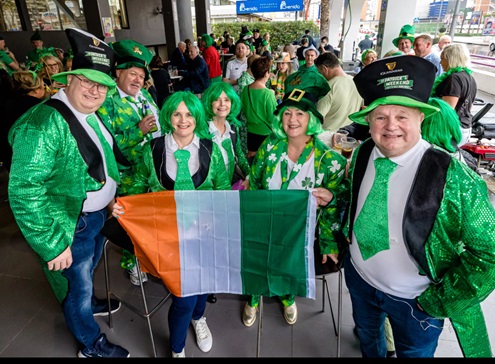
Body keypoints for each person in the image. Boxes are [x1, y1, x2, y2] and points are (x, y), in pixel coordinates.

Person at [343, 55, 495, 358]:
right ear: (369, 121)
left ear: (420, 118)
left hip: (416, 302)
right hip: (360, 280)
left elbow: (490, 253)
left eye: (402, 116)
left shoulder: (453, 176)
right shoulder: (362, 154)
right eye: (380, 117)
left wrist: (439, 300)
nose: (390, 127)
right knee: (369, 344)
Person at [8, 27, 130, 358]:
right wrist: (51, 243)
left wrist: (112, 197)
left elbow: (104, 159)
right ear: (68, 79)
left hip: (94, 218)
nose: (95, 89)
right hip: (69, 225)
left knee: (85, 273)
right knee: (76, 286)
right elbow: (23, 189)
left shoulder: (88, 113)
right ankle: (90, 344)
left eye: (102, 83)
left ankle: (88, 300)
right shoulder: (43, 123)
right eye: (87, 80)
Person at [111, 91, 231, 357]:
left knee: (204, 285)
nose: (183, 120)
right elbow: (138, 186)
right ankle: (177, 349)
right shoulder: (152, 150)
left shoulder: (211, 149)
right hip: (169, 237)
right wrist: (123, 204)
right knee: (183, 296)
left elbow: (222, 188)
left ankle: (200, 318)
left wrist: (216, 217)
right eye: (177, 113)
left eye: (189, 114)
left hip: (206, 234)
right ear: (167, 116)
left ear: (198, 117)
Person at [242, 86, 349, 327]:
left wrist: (329, 241)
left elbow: (337, 201)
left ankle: (287, 297)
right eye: (287, 113)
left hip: (298, 232)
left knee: (288, 265)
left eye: (300, 113)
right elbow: (256, 179)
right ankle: (253, 297)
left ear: (311, 118)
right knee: (257, 260)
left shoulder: (328, 161)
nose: (292, 119)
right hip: (264, 222)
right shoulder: (270, 146)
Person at [98, 39, 160, 286]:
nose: (137, 80)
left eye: (141, 76)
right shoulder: (107, 101)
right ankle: (131, 263)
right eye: (132, 74)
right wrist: (139, 130)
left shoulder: (144, 95)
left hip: (151, 171)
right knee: (130, 224)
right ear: (118, 72)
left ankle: (147, 257)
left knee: (150, 222)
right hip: (127, 177)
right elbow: (106, 144)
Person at [202, 81, 250, 190]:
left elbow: (240, 157)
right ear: (209, 103)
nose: (222, 104)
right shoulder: (202, 131)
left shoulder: (232, 128)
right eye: (217, 100)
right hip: (209, 192)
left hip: (229, 189)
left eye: (227, 100)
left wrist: (249, 177)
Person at [1, 70, 48, 172]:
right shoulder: (42, 109)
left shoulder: (7, 104)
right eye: (43, 87)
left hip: (10, 162)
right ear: (36, 90)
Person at [432, 43, 477, 147]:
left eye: (442, 58)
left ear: (450, 59)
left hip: (451, 131)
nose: (440, 62)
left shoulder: (454, 79)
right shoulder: (470, 78)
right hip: (465, 128)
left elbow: (446, 110)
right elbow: (470, 107)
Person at [315, 51, 363, 133]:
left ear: (324, 69)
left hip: (329, 136)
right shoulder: (357, 82)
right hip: (349, 134)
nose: (321, 76)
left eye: (320, 72)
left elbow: (318, 118)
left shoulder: (328, 87)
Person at [240, 56, 278, 160]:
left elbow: (243, 108)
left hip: (251, 131)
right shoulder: (268, 94)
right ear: (266, 73)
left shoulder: (245, 90)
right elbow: (272, 117)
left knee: (252, 157)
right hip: (266, 132)